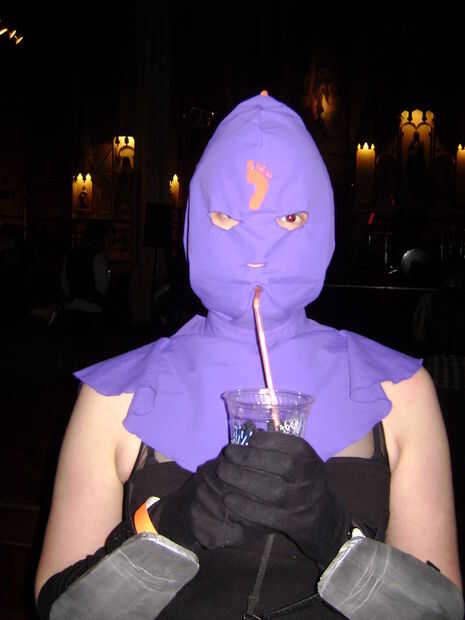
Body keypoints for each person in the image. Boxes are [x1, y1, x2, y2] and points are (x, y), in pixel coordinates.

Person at [34, 93, 463, 619]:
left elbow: (440, 613)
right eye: (227, 217)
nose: (258, 246)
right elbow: (64, 609)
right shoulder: (112, 398)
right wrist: (167, 527)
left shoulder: (400, 394)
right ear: (196, 221)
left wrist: (337, 538)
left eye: (289, 217)